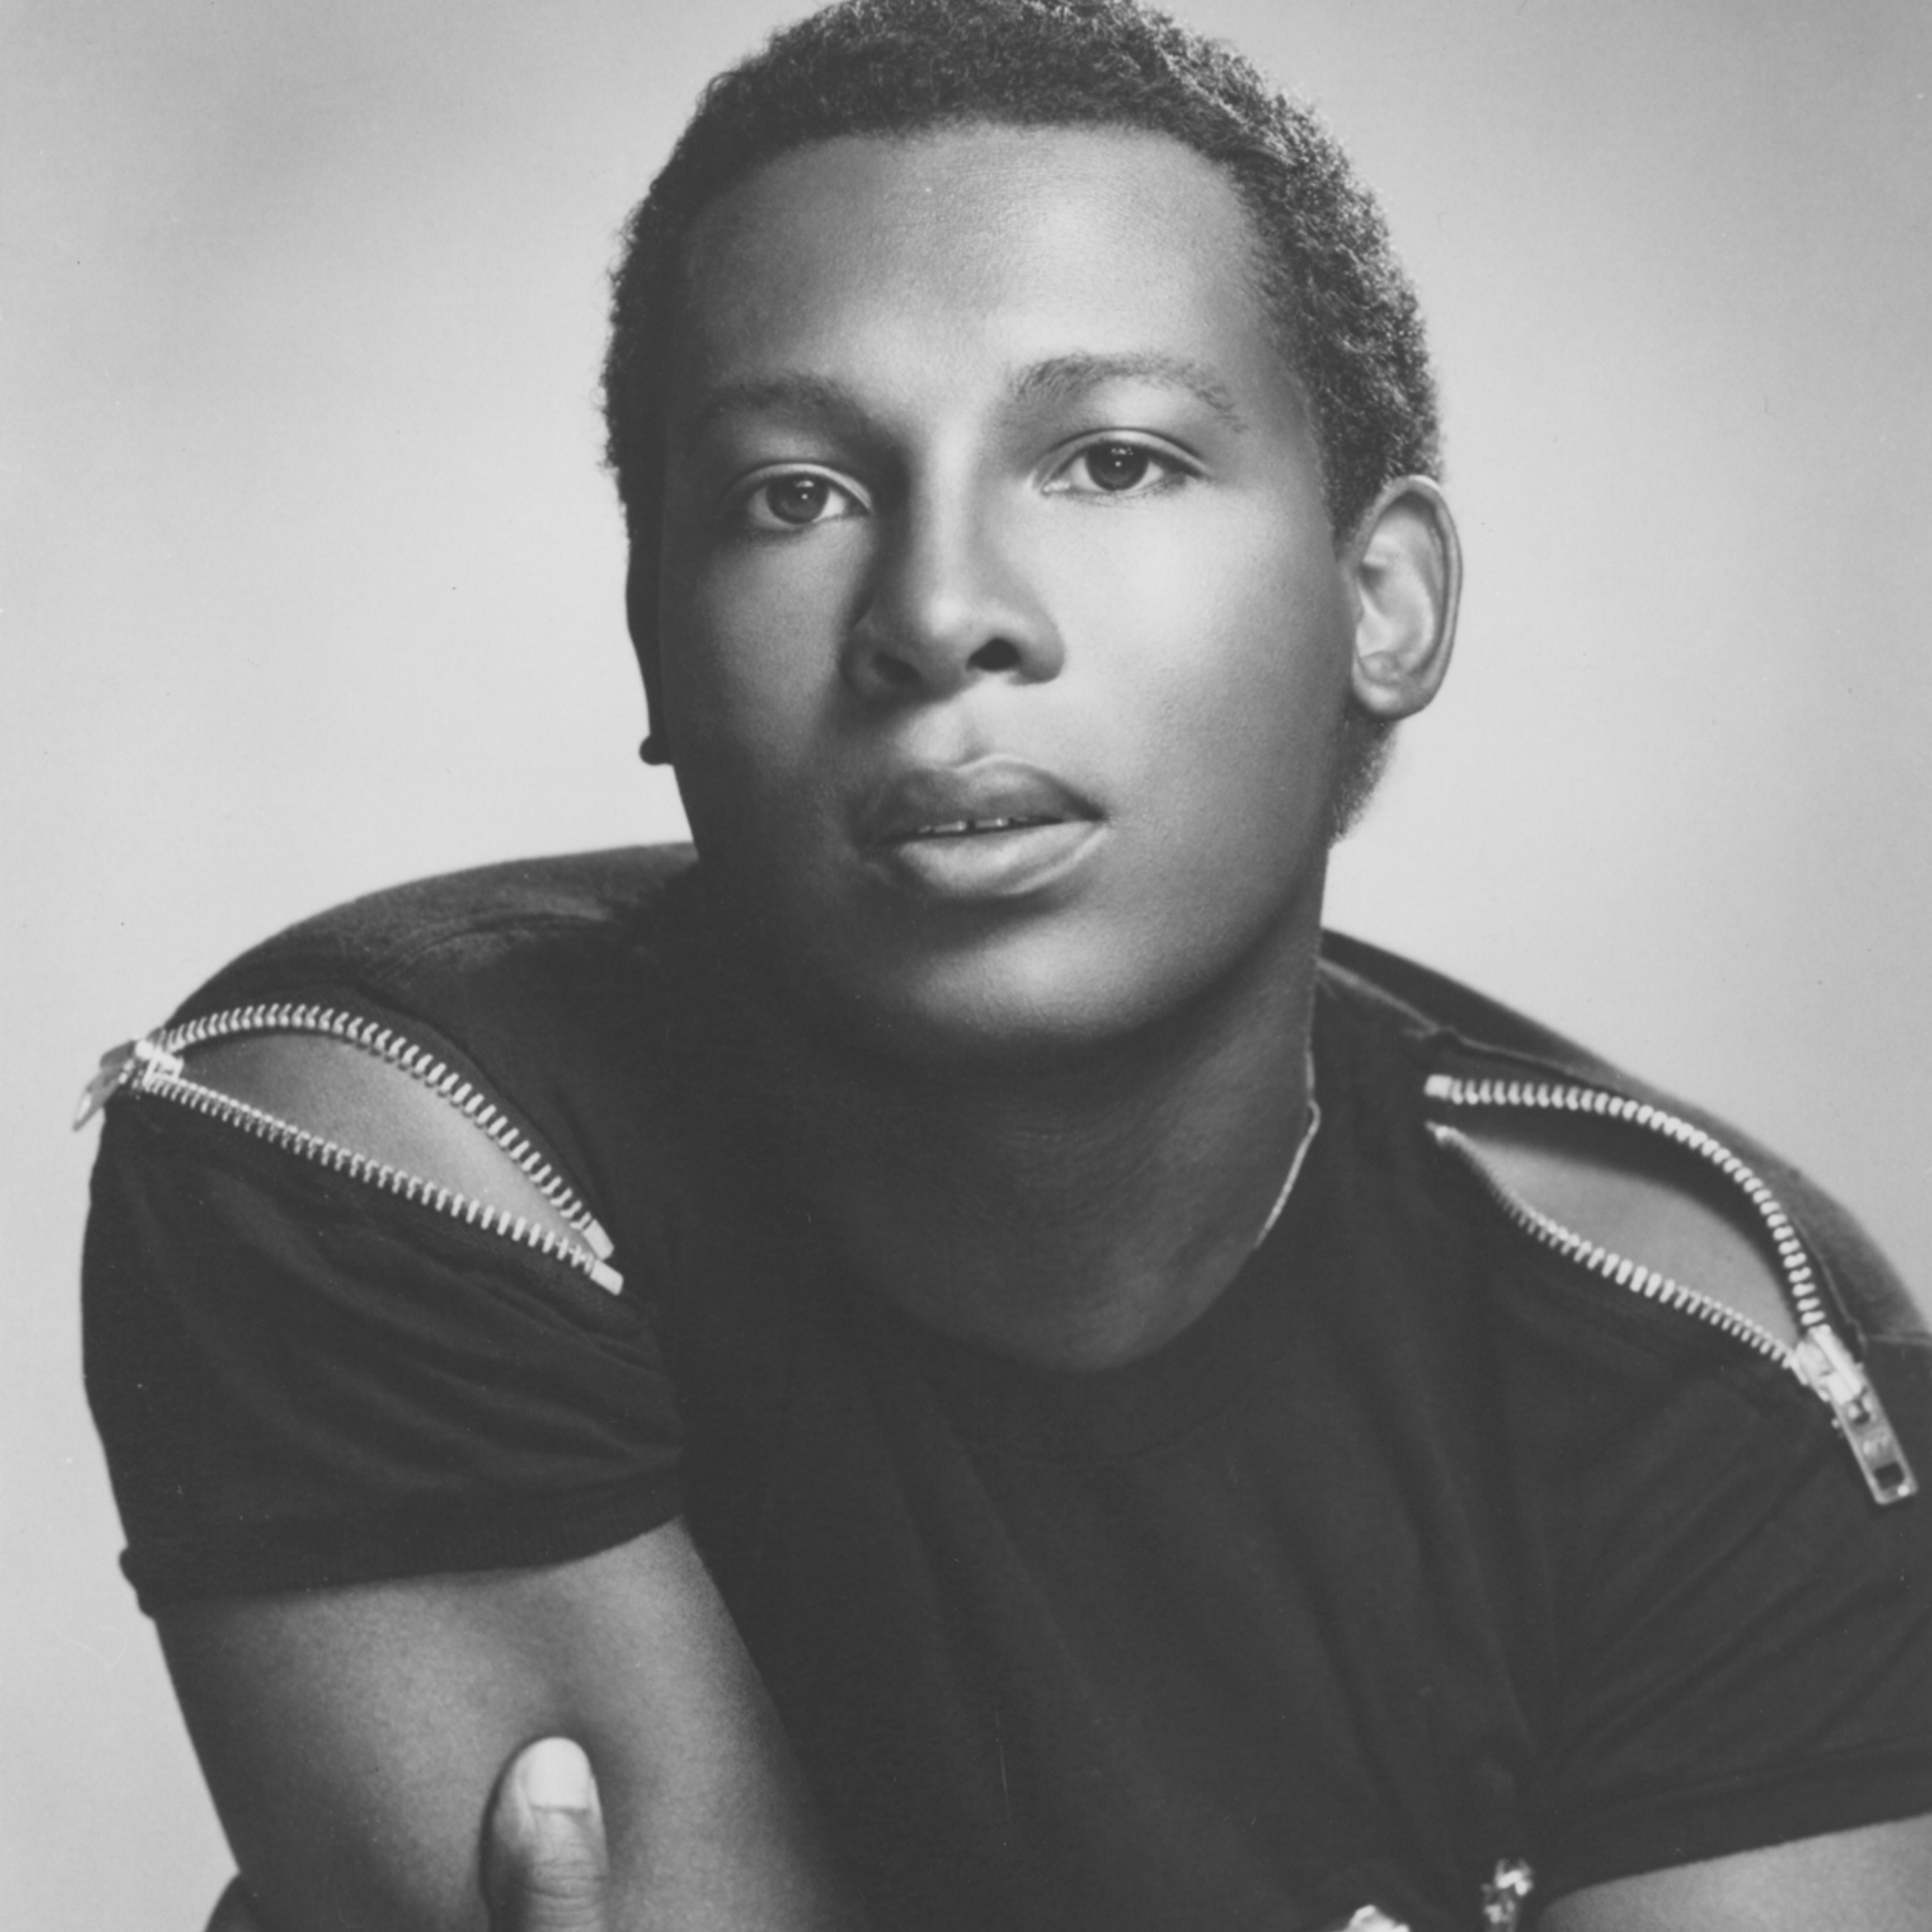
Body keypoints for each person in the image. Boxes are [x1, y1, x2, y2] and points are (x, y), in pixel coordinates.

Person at [77, 0, 1932, 1927]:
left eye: (1111, 459)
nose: (940, 610)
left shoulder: (1701, 1359)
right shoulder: (387, 1153)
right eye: (793, 493)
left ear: (1377, 601)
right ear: (652, 640)